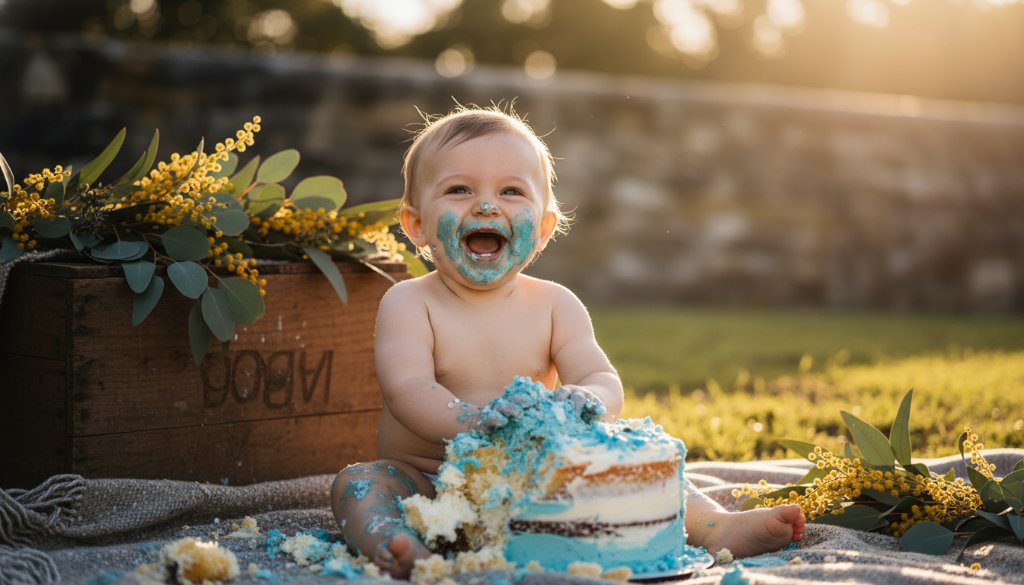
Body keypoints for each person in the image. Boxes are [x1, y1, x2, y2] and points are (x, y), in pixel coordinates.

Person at [330, 105, 805, 579]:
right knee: (358, 483)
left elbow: (600, 376)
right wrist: (472, 421)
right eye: (459, 190)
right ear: (415, 225)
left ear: (541, 229)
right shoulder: (410, 302)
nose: (486, 205)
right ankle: (397, 544)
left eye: (511, 191)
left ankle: (718, 528)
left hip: (541, 483)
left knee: (642, 465)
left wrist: (588, 398)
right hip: (430, 483)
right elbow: (406, 387)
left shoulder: (556, 305)